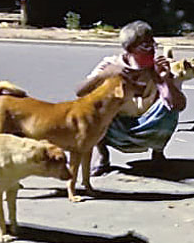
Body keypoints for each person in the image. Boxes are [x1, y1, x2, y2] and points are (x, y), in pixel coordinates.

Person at [76, 20, 187, 175]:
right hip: (116, 124)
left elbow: (178, 105)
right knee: (92, 108)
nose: (152, 51)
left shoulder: (160, 67)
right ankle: (102, 155)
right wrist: (103, 75)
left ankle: (158, 152)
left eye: (152, 45)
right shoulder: (111, 64)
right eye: (145, 47)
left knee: (169, 108)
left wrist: (165, 80)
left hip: (149, 123)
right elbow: (80, 92)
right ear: (130, 49)